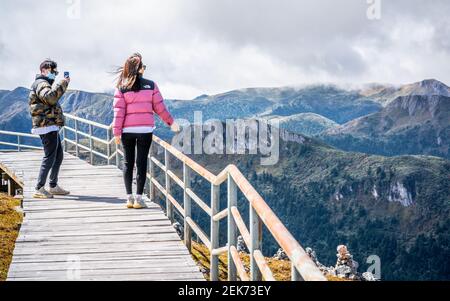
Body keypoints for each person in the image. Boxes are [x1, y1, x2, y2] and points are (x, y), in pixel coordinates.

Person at [113, 53, 180, 209]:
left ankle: (129, 199)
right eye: (144, 66)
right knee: (141, 163)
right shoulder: (151, 85)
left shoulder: (121, 87)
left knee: (128, 163)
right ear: (140, 69)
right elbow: (160, 108)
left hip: (127, 131)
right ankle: (139, 199)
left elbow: (118, 112)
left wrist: (117, 133)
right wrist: (171, 123)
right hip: (145, 130)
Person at [29, 59, 71, 199]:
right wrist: (63, 82)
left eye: (56, 72)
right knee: (50, 156)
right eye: (53, 71)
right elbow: (50, 98)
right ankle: (39, 187)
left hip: (49, 125)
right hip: (45, 125)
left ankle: (53, 185)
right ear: (44, 70)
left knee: (58, 156)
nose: (54, 74)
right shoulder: (41, 83)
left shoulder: (44, 83)